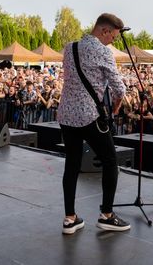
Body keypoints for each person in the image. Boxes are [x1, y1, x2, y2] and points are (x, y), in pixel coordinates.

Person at [58, 13, 129, 234]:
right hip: (90, 115)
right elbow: (119, 88)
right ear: (104, 31)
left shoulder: (69, 48)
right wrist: (116, 106)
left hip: (66, 115)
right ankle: (107, 215)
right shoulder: (103, 51)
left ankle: (70, 218)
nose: (112, 42)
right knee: (110, 161)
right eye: (113, 37)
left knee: (72, 164)